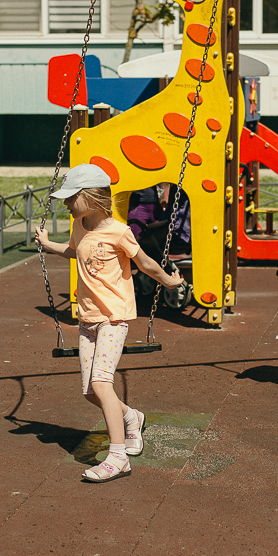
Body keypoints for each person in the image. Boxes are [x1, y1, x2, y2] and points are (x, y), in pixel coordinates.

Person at [34, 164, 182, 483]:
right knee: (90, 391)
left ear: (91, 196)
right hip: (88, 319)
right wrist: (48, 245)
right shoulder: (79, 223)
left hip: (114, 318)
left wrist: (169, 281)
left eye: (71, 197)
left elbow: (144, 263)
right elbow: (74, 251)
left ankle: (118, 457)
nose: (65, 204)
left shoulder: (119, 231)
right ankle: (132, 417)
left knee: (102, 384)